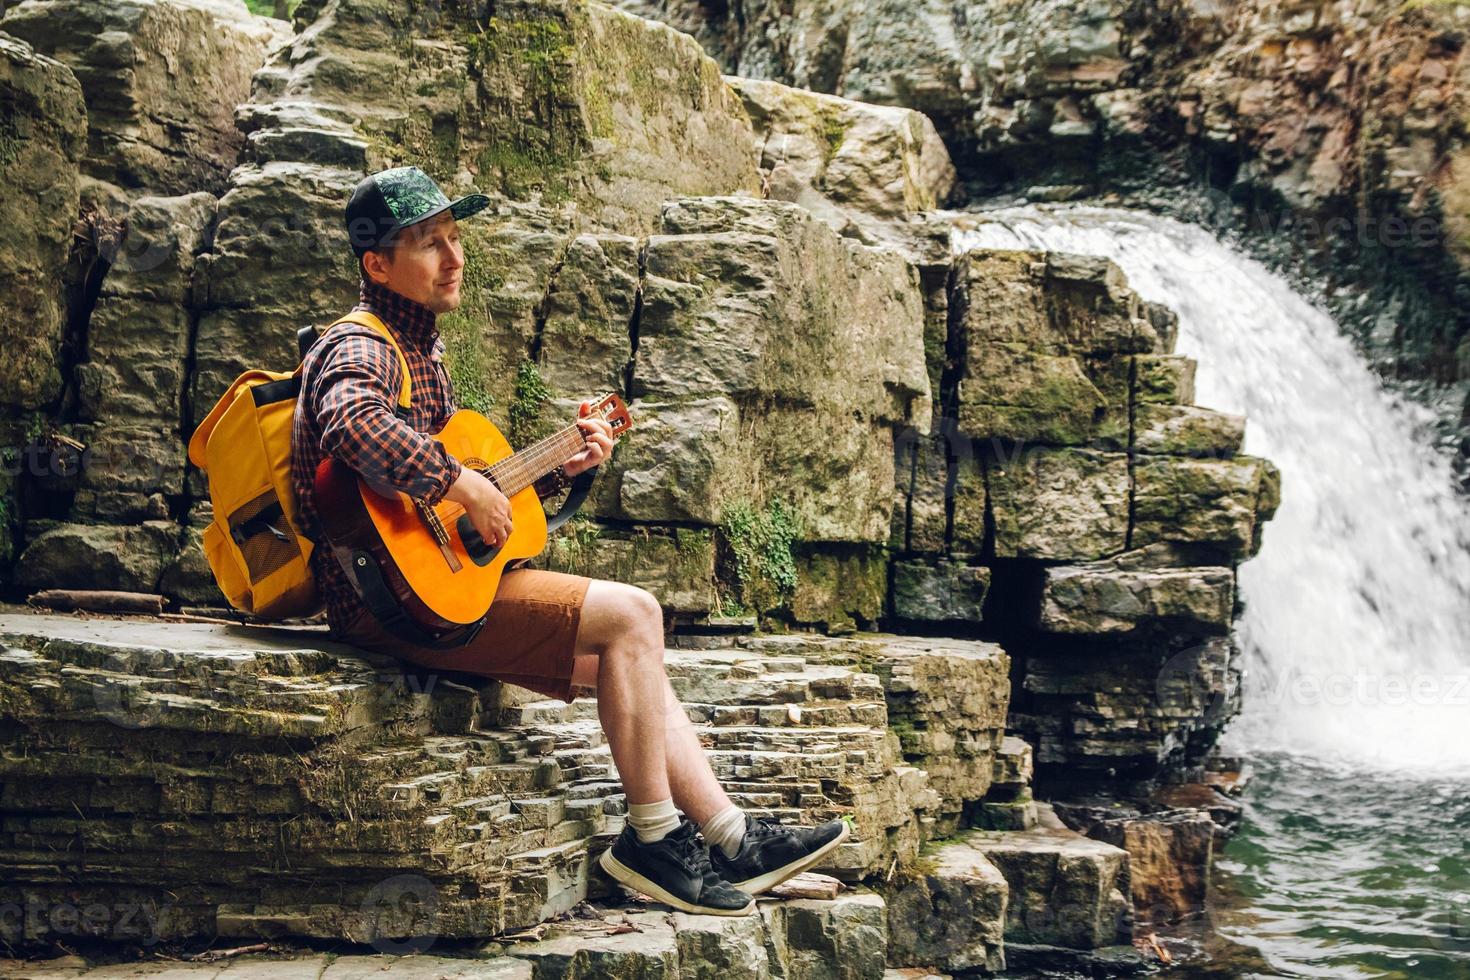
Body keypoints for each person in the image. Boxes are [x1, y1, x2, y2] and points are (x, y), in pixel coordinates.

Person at [288, 166, 849, 918]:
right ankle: (650, 842)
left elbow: (460, 519)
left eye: (455, 239)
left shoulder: (423, 350)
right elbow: (352, 427)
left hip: (415, 585)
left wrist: (556, 472)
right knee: (634, 614)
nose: (455, 258)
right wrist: (464, 484)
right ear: (377, 264)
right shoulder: (365, 346)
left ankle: (729, 836)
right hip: (381, 602)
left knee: (633, 664)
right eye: (429, 244)